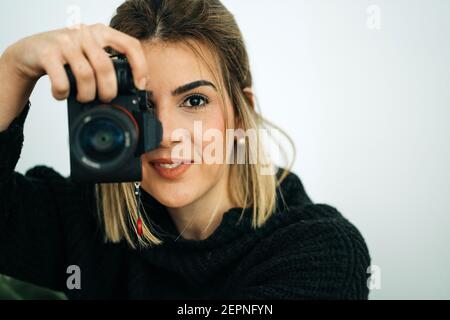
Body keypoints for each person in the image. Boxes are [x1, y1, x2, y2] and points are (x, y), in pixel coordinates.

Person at [0, 0, 371, 299]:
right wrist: (13, 70)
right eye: (141, 105)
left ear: (242, 116)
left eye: (194, 101)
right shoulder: (85, 219)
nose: (164, 135)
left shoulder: (319, 249)